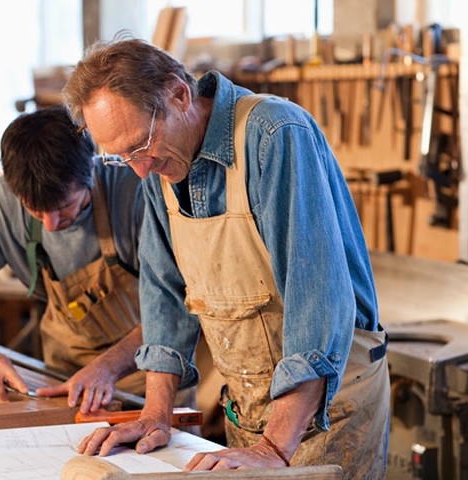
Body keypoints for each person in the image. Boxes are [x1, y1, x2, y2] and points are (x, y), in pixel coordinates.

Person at [61, 36, 390, 478]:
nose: (139, 168)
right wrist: (156, 414)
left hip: (328, 410)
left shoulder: (274, 135)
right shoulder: (160, 165)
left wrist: (275, 445)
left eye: (140, 146)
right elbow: (164, 297)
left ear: (179, 94)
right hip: (250, 413)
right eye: (123, 158)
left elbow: (318, 304)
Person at [0, 106, 148, 413]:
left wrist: (107, 368)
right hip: (64, 381)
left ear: (90, 170)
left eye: (64, 207)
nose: (51, 225)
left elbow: (177, 311)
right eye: (36, 212)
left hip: (147, 376)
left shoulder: (137, 193)